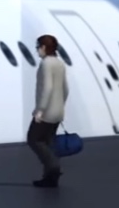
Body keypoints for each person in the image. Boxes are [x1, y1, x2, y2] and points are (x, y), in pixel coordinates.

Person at [28, 34, 69, 188]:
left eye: (38, 47)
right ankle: (49, 178)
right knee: (48, 141)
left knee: (34, 139)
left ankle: (53, 168)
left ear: (44, 47)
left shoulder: (46, 64)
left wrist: (40, 110)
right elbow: (66, 88)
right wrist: (61, 105)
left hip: (47, 112)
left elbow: (47, 88)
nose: (37, 50)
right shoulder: (59, 63)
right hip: (58, 110)